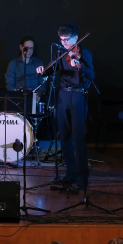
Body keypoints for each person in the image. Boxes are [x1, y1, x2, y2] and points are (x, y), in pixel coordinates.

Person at [37, 23, 95, 191]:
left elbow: (92, 75)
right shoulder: (61, 53)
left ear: (76, 38)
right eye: (61, 40)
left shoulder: (84, 53)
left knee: (78, 138)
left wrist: (80, 66)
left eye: (67, 40)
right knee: (65, 137)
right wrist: (42, 69)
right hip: (63, 96)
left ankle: (82, 178)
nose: (64, 43)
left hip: (78, 96)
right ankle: (71, 173)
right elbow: (50, 69)